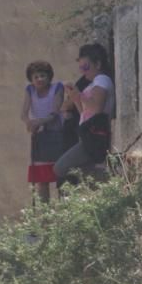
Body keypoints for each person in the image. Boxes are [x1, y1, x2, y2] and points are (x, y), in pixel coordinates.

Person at [55, 43, 114, 182]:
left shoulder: (101, 79)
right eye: (81, 68)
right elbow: (85, 113)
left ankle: (107, 179)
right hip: (88, 134)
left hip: (94, 136)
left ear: (98, 64)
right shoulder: (94, 82)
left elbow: (96, 108)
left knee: (60, 168)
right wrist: (76, 97)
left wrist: (79, 95)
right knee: (79, 173)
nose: (83, 71)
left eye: (86, 67)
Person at [20, 61, 64, 203]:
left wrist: (39, 122)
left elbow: (55, 113)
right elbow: (24, 113)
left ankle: (65, 213)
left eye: (43, 76)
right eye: (36, 76)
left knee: (61, 177)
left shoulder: (57, 88)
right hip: (40, 138)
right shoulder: (30, 90)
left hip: (57, 136)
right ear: (31, 79)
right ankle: (46, 219)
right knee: (42, 180)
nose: (39, 79)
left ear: (49, 77)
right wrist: (29, 123)